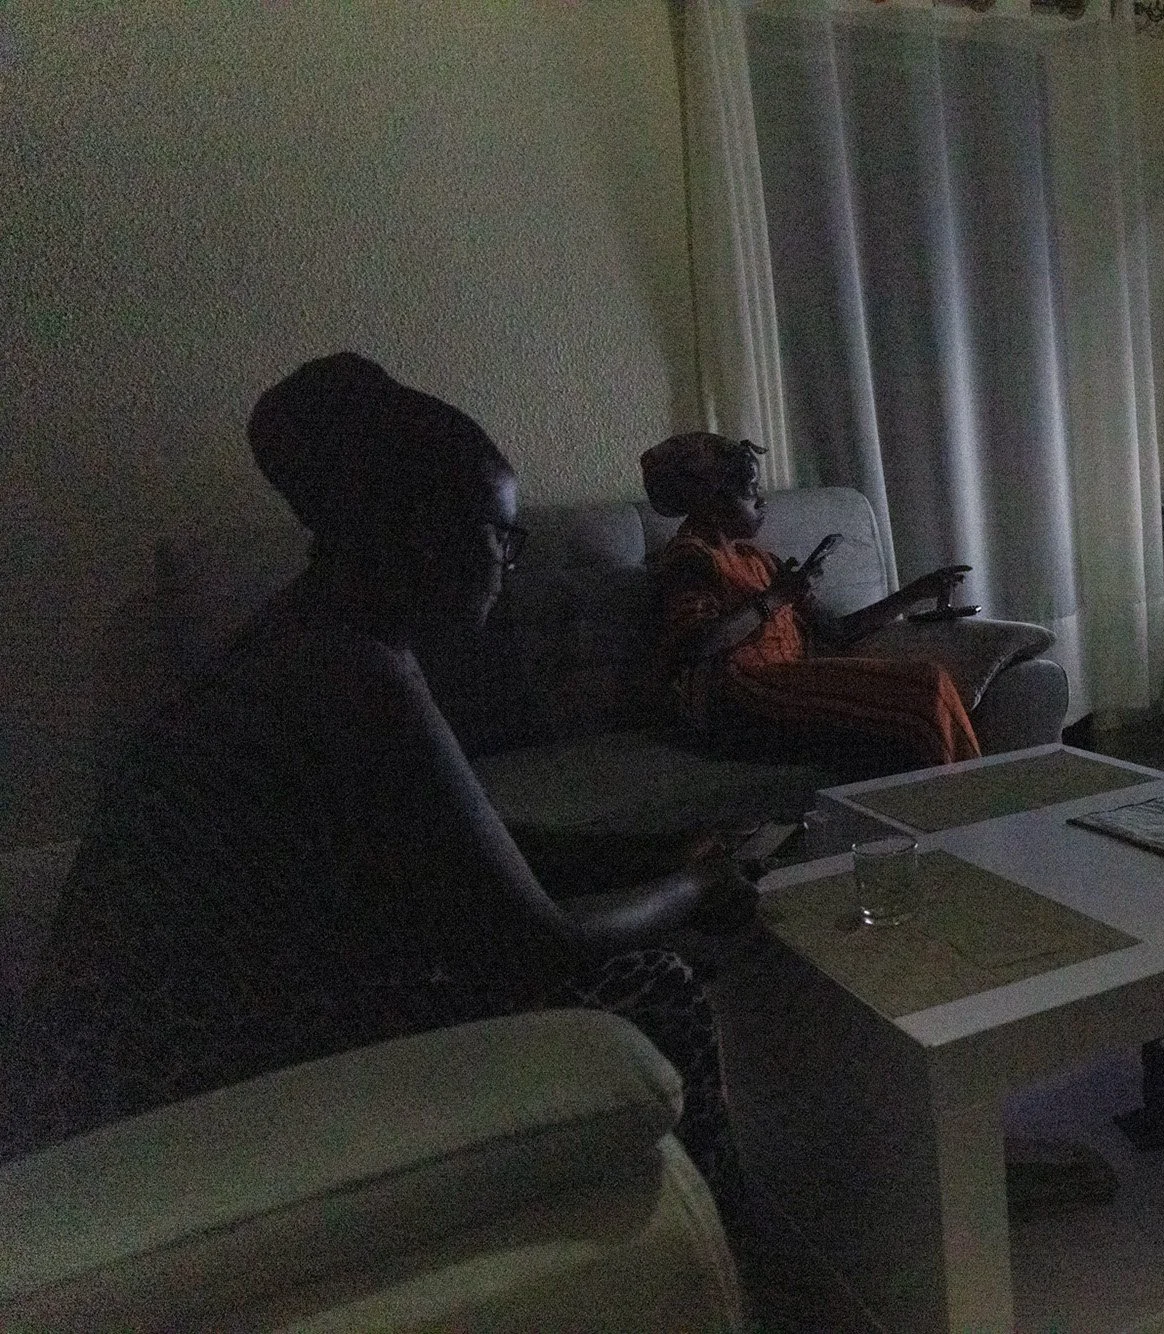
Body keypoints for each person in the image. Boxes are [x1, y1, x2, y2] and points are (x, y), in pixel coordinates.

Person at [1, 355, 757, 1197]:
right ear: (417, 529)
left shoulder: (316, 634)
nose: (511, 559)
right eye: (499, 533)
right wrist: (694, 883)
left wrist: (647, 854)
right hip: (178, 1079)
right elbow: (538, 945)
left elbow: (470, 841)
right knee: (654, 985)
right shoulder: (348, 673)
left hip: (169, 1035)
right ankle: (733, 1249)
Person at [642, 432, 980, 777]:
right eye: (750, 492)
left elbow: (836, 631)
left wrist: (913, 593)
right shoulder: (690, 557)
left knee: (922, 690)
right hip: (739, 698)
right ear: (711, 503)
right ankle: (964, 811)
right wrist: (775, 598)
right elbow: (694, 644)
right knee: (923, 688)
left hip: (788, 684)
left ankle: (953, 809)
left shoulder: (759, 560)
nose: (762, 501)